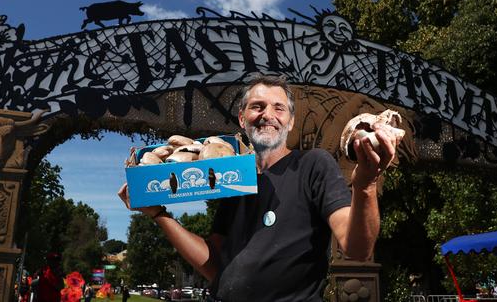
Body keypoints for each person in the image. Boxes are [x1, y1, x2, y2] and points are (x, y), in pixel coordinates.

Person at [118, 75, 396, 301]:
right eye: (257, 106)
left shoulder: (313, 165)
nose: (268, 115)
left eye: (279, 108)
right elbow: (215, 266)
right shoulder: (233, 178)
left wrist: (365, 185)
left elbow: (357, 248)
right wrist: (159, 214)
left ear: (291, 121)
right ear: (242, 119)